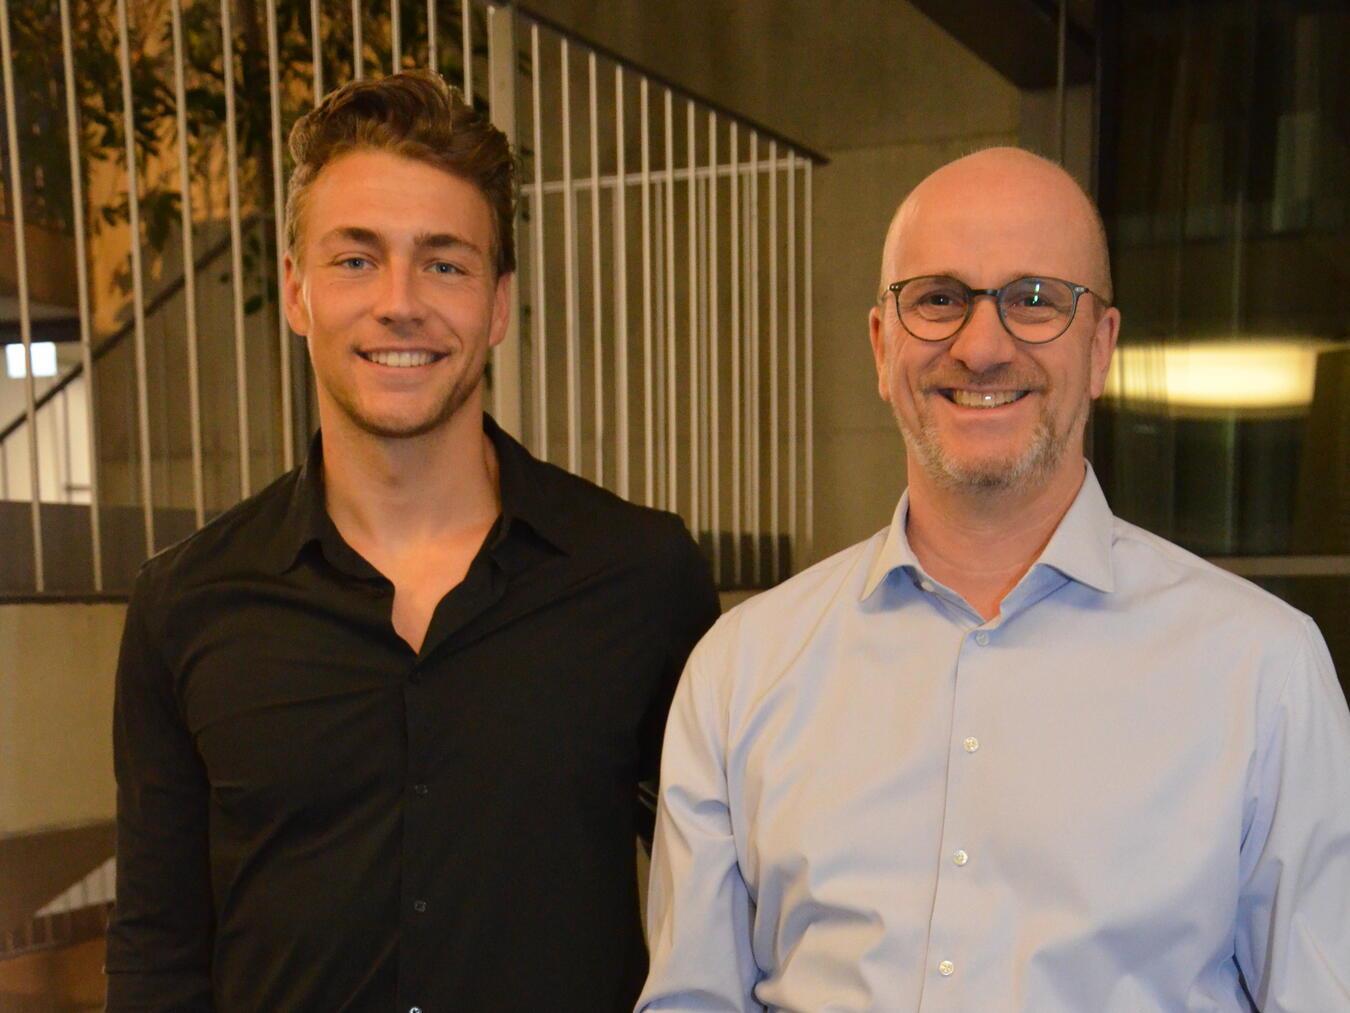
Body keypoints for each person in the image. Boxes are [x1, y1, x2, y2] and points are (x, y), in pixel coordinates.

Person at [637, 147, 1350, 1012]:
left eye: (1035, 300)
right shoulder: (740, 669)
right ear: (880, 343)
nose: (981, 346)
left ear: (1102, 347)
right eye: (938, 299)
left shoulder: (1263, 671)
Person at [106, 71, 718, 1012]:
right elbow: (157, 949)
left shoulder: (640, 574)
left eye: (444, 262)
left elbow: (720, 891)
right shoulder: (184, 603)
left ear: (499, 303)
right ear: (298, 292)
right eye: (356, 259)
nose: (400, 302)